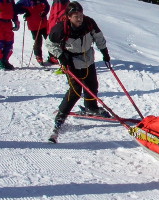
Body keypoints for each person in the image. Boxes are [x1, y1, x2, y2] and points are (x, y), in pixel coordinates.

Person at [46, 1, 110, 143]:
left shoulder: (89, 23)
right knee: (75, 90)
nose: (79, 18)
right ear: (69, 16)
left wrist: (104, 52)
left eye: (80, 15)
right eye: (75, 16)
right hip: (71, 61)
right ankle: (61, 117)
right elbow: (50, 44)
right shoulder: (61, 28)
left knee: (92, 85)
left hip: (87, 58)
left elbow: (98, 37)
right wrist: (61, 57)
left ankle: (91, 107)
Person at [14, 0, 49, 65]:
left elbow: (47, 6)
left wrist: (45, 12)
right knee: (38, 41)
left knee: (49, 40)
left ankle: (52, 56)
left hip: (44, 23)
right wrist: (25, 11)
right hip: (34, 25)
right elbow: (15, 9)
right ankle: (38, 55)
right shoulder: (24, 1)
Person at [44, 0, 68, 64]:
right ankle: (54, 57)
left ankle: (57, 58)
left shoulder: (60, 2)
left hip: (56, 25)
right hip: (55, 25)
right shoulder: (58, 2)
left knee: (55, 43)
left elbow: (57, 14)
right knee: (53, 43)